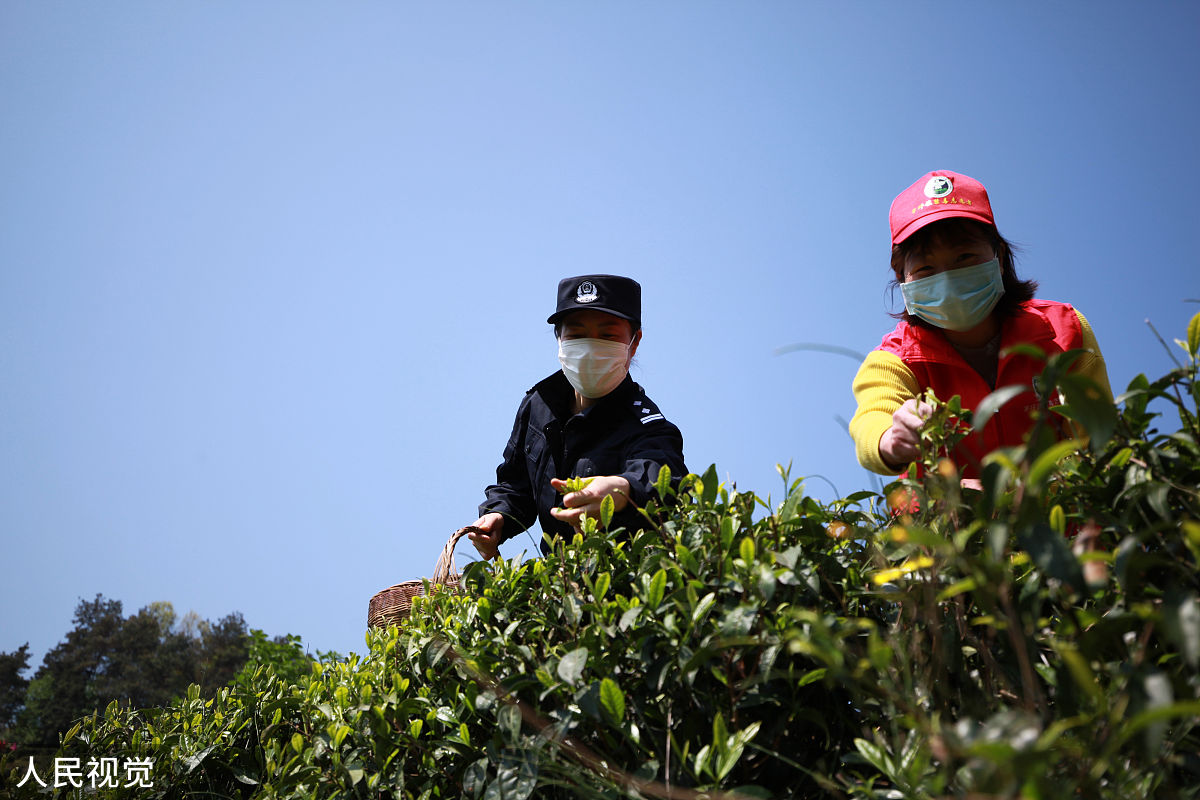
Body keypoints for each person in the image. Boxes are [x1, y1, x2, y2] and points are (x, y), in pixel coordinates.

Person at [850, 170, 1113, 480]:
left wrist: (1014, 497)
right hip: (947, 526)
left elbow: (1100, 447)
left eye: (965, 257)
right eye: (926, 268)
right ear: (901, 278)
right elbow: (874, 416)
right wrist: (890, 440)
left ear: (999, 257)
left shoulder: (1062, 331)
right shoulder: (894, 361)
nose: (947, 279)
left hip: (1059, 523)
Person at [467, 274, 688, 559]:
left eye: (608, 335)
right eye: (576, 334)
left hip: (618, 589)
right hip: (556, 583)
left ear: (634, 343)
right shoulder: (538, 406)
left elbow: (664, 484)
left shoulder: (648, 426)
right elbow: (515, 483)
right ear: (559, 338)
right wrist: (498, 516)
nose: (589, 348)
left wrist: (623, 490)